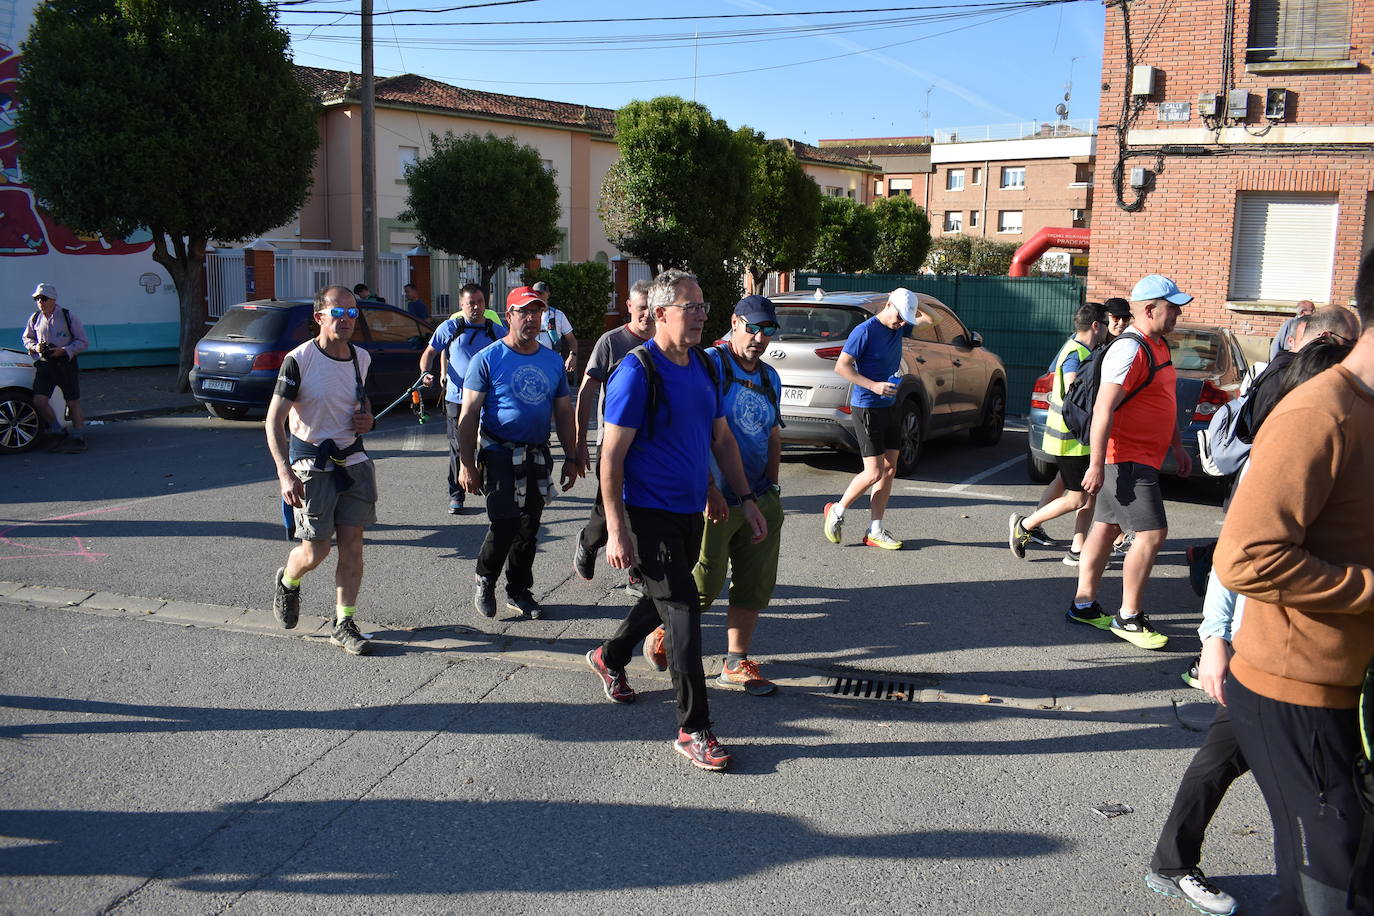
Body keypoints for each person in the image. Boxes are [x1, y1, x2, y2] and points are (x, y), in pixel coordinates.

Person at [1145, 335, 1353, 916]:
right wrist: (1214, 640)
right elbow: (1234, 561)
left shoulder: (1337, 444)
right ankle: (1178, 864)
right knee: (1317, 800)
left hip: (1286, 651)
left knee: (1223, 759)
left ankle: (1172, 862)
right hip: (1265, 651)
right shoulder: (1285, 452)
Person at [1213, 250, 1374, 915]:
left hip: (1353, 692)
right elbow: (1247, 557)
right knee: (1330, 895)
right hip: (1299, 694)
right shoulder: (1320, 412)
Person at [586, 268, 765, 772]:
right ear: (661, 313)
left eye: (703, 306)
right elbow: (611, 459)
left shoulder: (704, 366)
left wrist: (737, 495)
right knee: (683, 610)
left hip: (690, 509)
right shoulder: (636, 371)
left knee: (661, 597)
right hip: (647, 512)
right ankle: (694, 728)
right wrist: (616, 530)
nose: (702, 315)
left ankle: (608, 656)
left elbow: (718, 438)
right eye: (692, 307)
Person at [640, 295, 785, 695]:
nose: (759, 338)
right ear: (735, 323)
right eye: (753, 328)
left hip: (758, 497)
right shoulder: (710, 364)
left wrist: (772, 491)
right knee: (702, 585)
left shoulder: (770, 377)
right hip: (713, 499)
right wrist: (705, 487)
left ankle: (736, 662)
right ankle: (660, 633)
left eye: (768, 331)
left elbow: (773, 435)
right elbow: (692, 430)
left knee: (754, 585)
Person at [1067, 275, 1192, 650]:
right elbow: (1103, 409)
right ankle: (1129, 617)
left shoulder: (1159, 345)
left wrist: (1177, 447)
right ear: (1150, 309)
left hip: (1138, 458)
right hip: (1126, 459)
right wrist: (1096, 463)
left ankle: (1083, 605)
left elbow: (1164, 400)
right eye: (1173, 308)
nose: (1178, 314)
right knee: (1151, 535)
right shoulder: (1130, 350)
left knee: (1106, 527)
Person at [457, 286, 581, 620]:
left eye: (537, 312)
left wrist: (571, 457)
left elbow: (563, 413)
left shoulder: (552, 360)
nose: (531, 318)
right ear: (509, 316)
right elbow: (468, 415)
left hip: (537, 452)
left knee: (529, 525)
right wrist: (466, 464)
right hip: (499, 450)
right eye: (524, 312)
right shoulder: (488, 358)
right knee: (505, 521)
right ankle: (485, 578)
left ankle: (518, 589)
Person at [266, 286, 377, 656]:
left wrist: (367, 418)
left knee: (353, 544)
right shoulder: (299, 360)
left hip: (354, 461)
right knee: (316, 551)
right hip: (311, 465)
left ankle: (343, 623)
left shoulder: (362, 358)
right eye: (338, 313)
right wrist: (284, 473)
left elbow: (360, 403)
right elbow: (274, 421)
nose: (347, 320)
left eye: (352, 313)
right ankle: (288, 580)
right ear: (319, 317)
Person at [821, 288, 930, 550]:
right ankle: (837, 511)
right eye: (900, 317)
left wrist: (916, 303)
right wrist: (874, 386)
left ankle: (875, 530)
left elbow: (932, 320)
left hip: (890, 406)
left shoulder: (899, 326)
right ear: (888, 304)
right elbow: (842, 366)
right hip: (867, 406)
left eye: (906, 319)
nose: (902, 324)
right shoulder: (865, 331)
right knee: (874, 472)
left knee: (890, 469)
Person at [1009, 301, 1108, 564]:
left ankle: (1077, 547)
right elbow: (1074, 390)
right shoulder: (1076, 353)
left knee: (1079, 490)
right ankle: (1025, 525)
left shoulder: (1078, 347)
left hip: (1075, 438)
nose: (1108, 329)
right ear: (1095, 325)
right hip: (1071, 439)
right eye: (1106, 324)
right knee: (1077, 498)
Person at [572, 280, 654, 579]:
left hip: (651, 443)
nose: (647, 314)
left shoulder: (665, 340)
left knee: (642, 509)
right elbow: (585, 392)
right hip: (613, 441)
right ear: (629, 307)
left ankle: (639, 575)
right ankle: (589, 541)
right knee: (609, 506)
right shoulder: (611, 342)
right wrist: (580, 443)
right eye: (641, 307)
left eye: (651, 307)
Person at [419, 283, 504, 514]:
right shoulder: (451, 327)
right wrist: (426, 373)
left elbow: (511, 352)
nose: (476, 307)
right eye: (471, 303)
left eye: (480, 302)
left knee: (491, 446)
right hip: (457, 398)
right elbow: (429, 352)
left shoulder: (496, 330)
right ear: (461, 304)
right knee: (459, 448)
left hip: (488, 399)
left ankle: (490, 488)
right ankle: (456, 495)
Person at [22, 283, 88, 453]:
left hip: (65, 364)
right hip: (45, 364)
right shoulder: (35, 318)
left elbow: (82, 341)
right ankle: (57, 430)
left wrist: (64, 350)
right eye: (37, 299)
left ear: (53, 299)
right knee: (39, 400)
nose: (40, 302)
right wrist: (36, 347)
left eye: (43, 298)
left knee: (72, 401)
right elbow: (27, 338)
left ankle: (79, 437)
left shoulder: (68, 316)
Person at [531, 281, 578, 376]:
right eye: (535, 293)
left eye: (540, 293)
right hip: (532, 364)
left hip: (552, 364)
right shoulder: (529, 315)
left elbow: (572, 339)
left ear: (548, 294)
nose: (538, 296)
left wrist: (572, 356)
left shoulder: (558, 315)